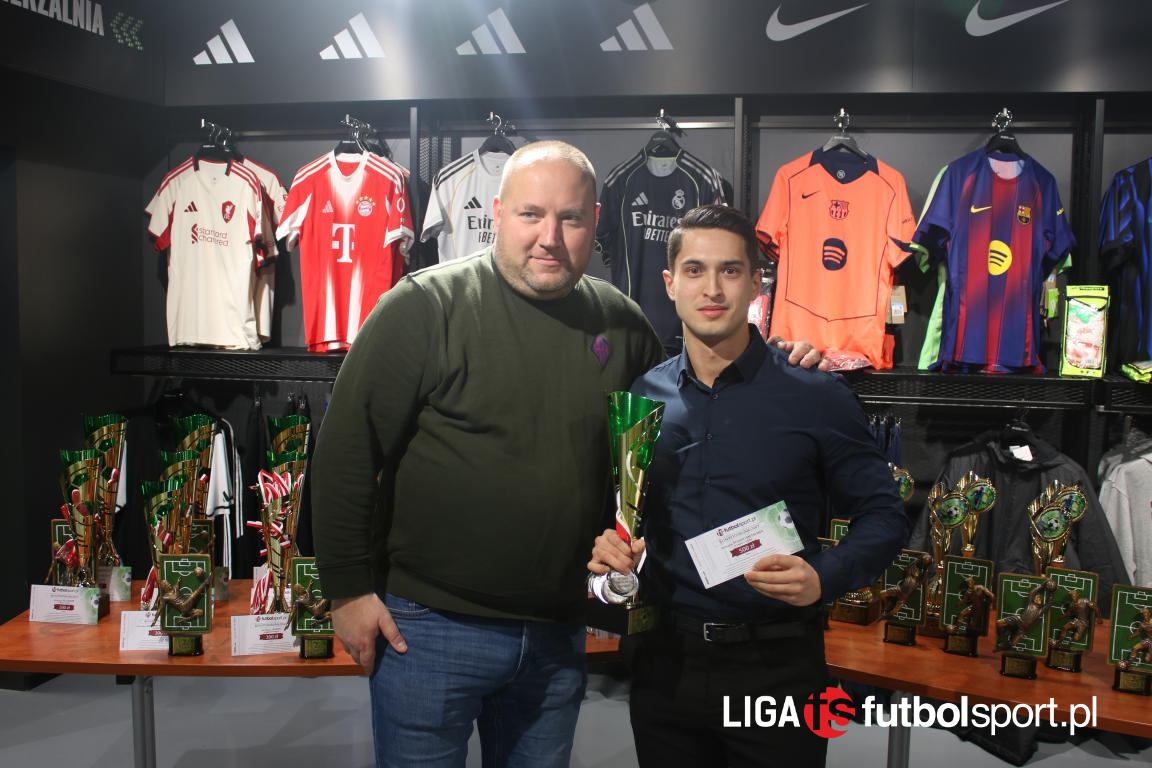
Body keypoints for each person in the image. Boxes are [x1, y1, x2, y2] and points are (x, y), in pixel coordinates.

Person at [309, 142, 821, 768]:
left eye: (570, 218)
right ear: (498, 212)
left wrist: (779, 365)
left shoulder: (622, 323)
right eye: (531, 214)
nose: (548, 237)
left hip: (557, 635)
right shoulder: (423, 306)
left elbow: (688, 402)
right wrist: (347, 592)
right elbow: (345, 452)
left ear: (594, 222)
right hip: (430, 629)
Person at [589, 204, 909, 768]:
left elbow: (885, 515)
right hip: (666, 665)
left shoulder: (816, 395)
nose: (712, 288)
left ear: (756, 283)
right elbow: (628, 517)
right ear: (669, 283)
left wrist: (824, 576)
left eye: (730, 270)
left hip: (778, 669)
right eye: (694, 270)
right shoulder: (642, 398)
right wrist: (614, 551)